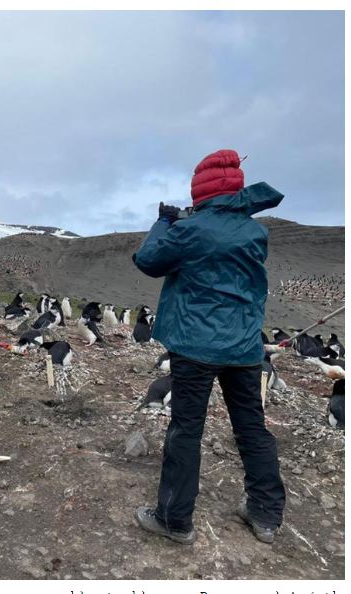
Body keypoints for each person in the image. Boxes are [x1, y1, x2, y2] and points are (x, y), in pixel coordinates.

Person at [132, 149, 286, 544]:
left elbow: (149, 260)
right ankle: (265, 514)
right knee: (252, 428)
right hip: (244, 347)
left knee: (186, 430)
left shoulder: (191, 229)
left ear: (199, 193)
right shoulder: (255, 231)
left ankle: (174, 519)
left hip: (196, 347)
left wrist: (164, 221)